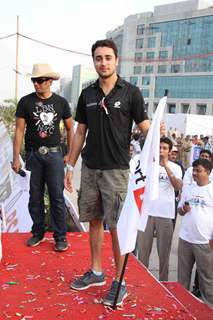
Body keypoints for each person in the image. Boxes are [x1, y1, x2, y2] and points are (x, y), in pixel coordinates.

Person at [64, 39, 151, 306]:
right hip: (90, 168)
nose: (103, 62)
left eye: (108, 57)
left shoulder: (131, 93)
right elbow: (80, 132)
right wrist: (70, 165)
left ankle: (120, 282)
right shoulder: (87, 94)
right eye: (98, 58)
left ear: (116, 60)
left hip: (117, 171)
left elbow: (145, 125)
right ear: (94, 61)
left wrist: (156, 142)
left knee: (117, 227)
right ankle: (97, 271)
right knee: (94, 221)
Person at [12, 63, 74, 252]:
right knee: (35, 196)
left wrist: (70, 155)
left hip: (55, 155)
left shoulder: (61, 102)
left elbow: (71, 129)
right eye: (34, 80)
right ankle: (37, 232)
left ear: (50, 81)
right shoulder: (25, 102)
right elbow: (19, 130)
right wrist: (16, 157)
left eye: (40, 81)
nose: (37, 84)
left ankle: (60, 236)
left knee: (57, 196)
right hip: (33, 155)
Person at [137, 137, 182, 281]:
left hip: (165, 214)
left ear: (169, 151)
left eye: (164, 148)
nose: (161, 151)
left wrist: (166, 167)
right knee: (143, 252)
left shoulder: (175, 167)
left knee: (164, 254)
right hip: (147, 213)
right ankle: (143, 281)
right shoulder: (148, 165)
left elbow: (177, 186)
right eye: (159, 148)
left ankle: (163, 282)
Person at [177, 159, 213, 309]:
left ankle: (209, 308)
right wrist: (183, 210)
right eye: (194, 170)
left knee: (207, 279)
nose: (194, 173)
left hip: (205, 242)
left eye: (198, 170)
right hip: (185, 238)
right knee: (182, 279)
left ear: (208, 172)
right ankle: (180, 307)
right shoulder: (188, 188)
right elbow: (179, 210)